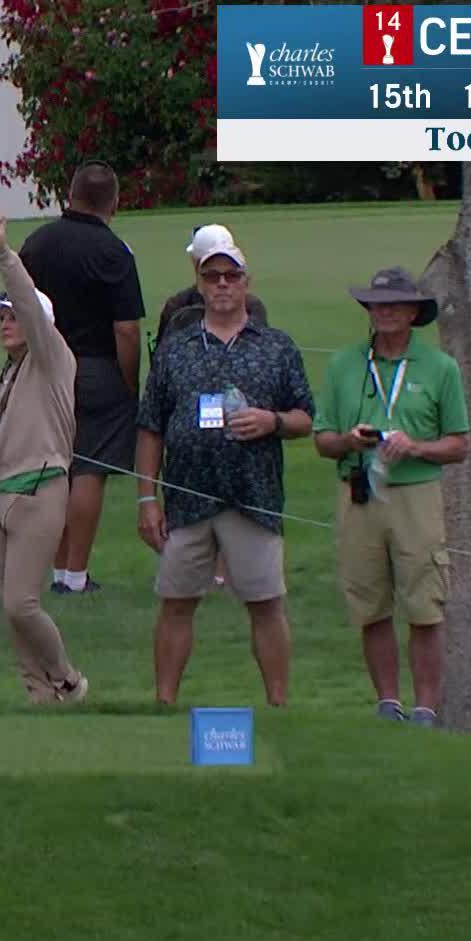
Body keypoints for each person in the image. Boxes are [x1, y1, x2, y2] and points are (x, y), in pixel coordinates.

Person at [134, 223, 313, 707]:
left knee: (266, 604)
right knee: (175, 602)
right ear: (200, 282)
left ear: (245, 282)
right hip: (187, 499)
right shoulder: (176, 350)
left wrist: (271, 420)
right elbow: (150, 426)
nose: (221, 286)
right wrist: (147, 497)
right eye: (212, 277)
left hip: (252, 498)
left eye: (230, 277)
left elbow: (305, 418)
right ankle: (164, 703)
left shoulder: (276, 347)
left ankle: (278, 704)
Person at [312, 267, 470, 728]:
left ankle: (425, 708)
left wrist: (415, 446)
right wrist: (350, 441)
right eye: (378, 305)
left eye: (395, 305)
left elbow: (459, 444)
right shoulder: (345, 364)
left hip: (416, 493)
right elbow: (322, 441)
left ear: (414, 313)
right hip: (358, 491)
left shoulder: (440, 368)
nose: (384, 312)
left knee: (424, 603)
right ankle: (388, 703)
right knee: (369, 601)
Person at [0, 204, 87, 703]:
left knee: (21, 603)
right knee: (11, 608)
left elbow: (30, 304)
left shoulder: (52, 359)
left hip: (36, 490)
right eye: (1, 316)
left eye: (12, 315)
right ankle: (38, 695)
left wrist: (4, 254)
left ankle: (67, 680)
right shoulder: (9, 373)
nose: (6, 322)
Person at [18, 160, 146, 595]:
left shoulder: (35, 245)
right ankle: (75, 575)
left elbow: (18, 311)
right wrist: (129, 383)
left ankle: (54, 571)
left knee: (55, 467)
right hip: (94, 367)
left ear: (67, 194)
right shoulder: (114, 252)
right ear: (113, 202)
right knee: (89, 467)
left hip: (43, 365)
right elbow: (127, 329)